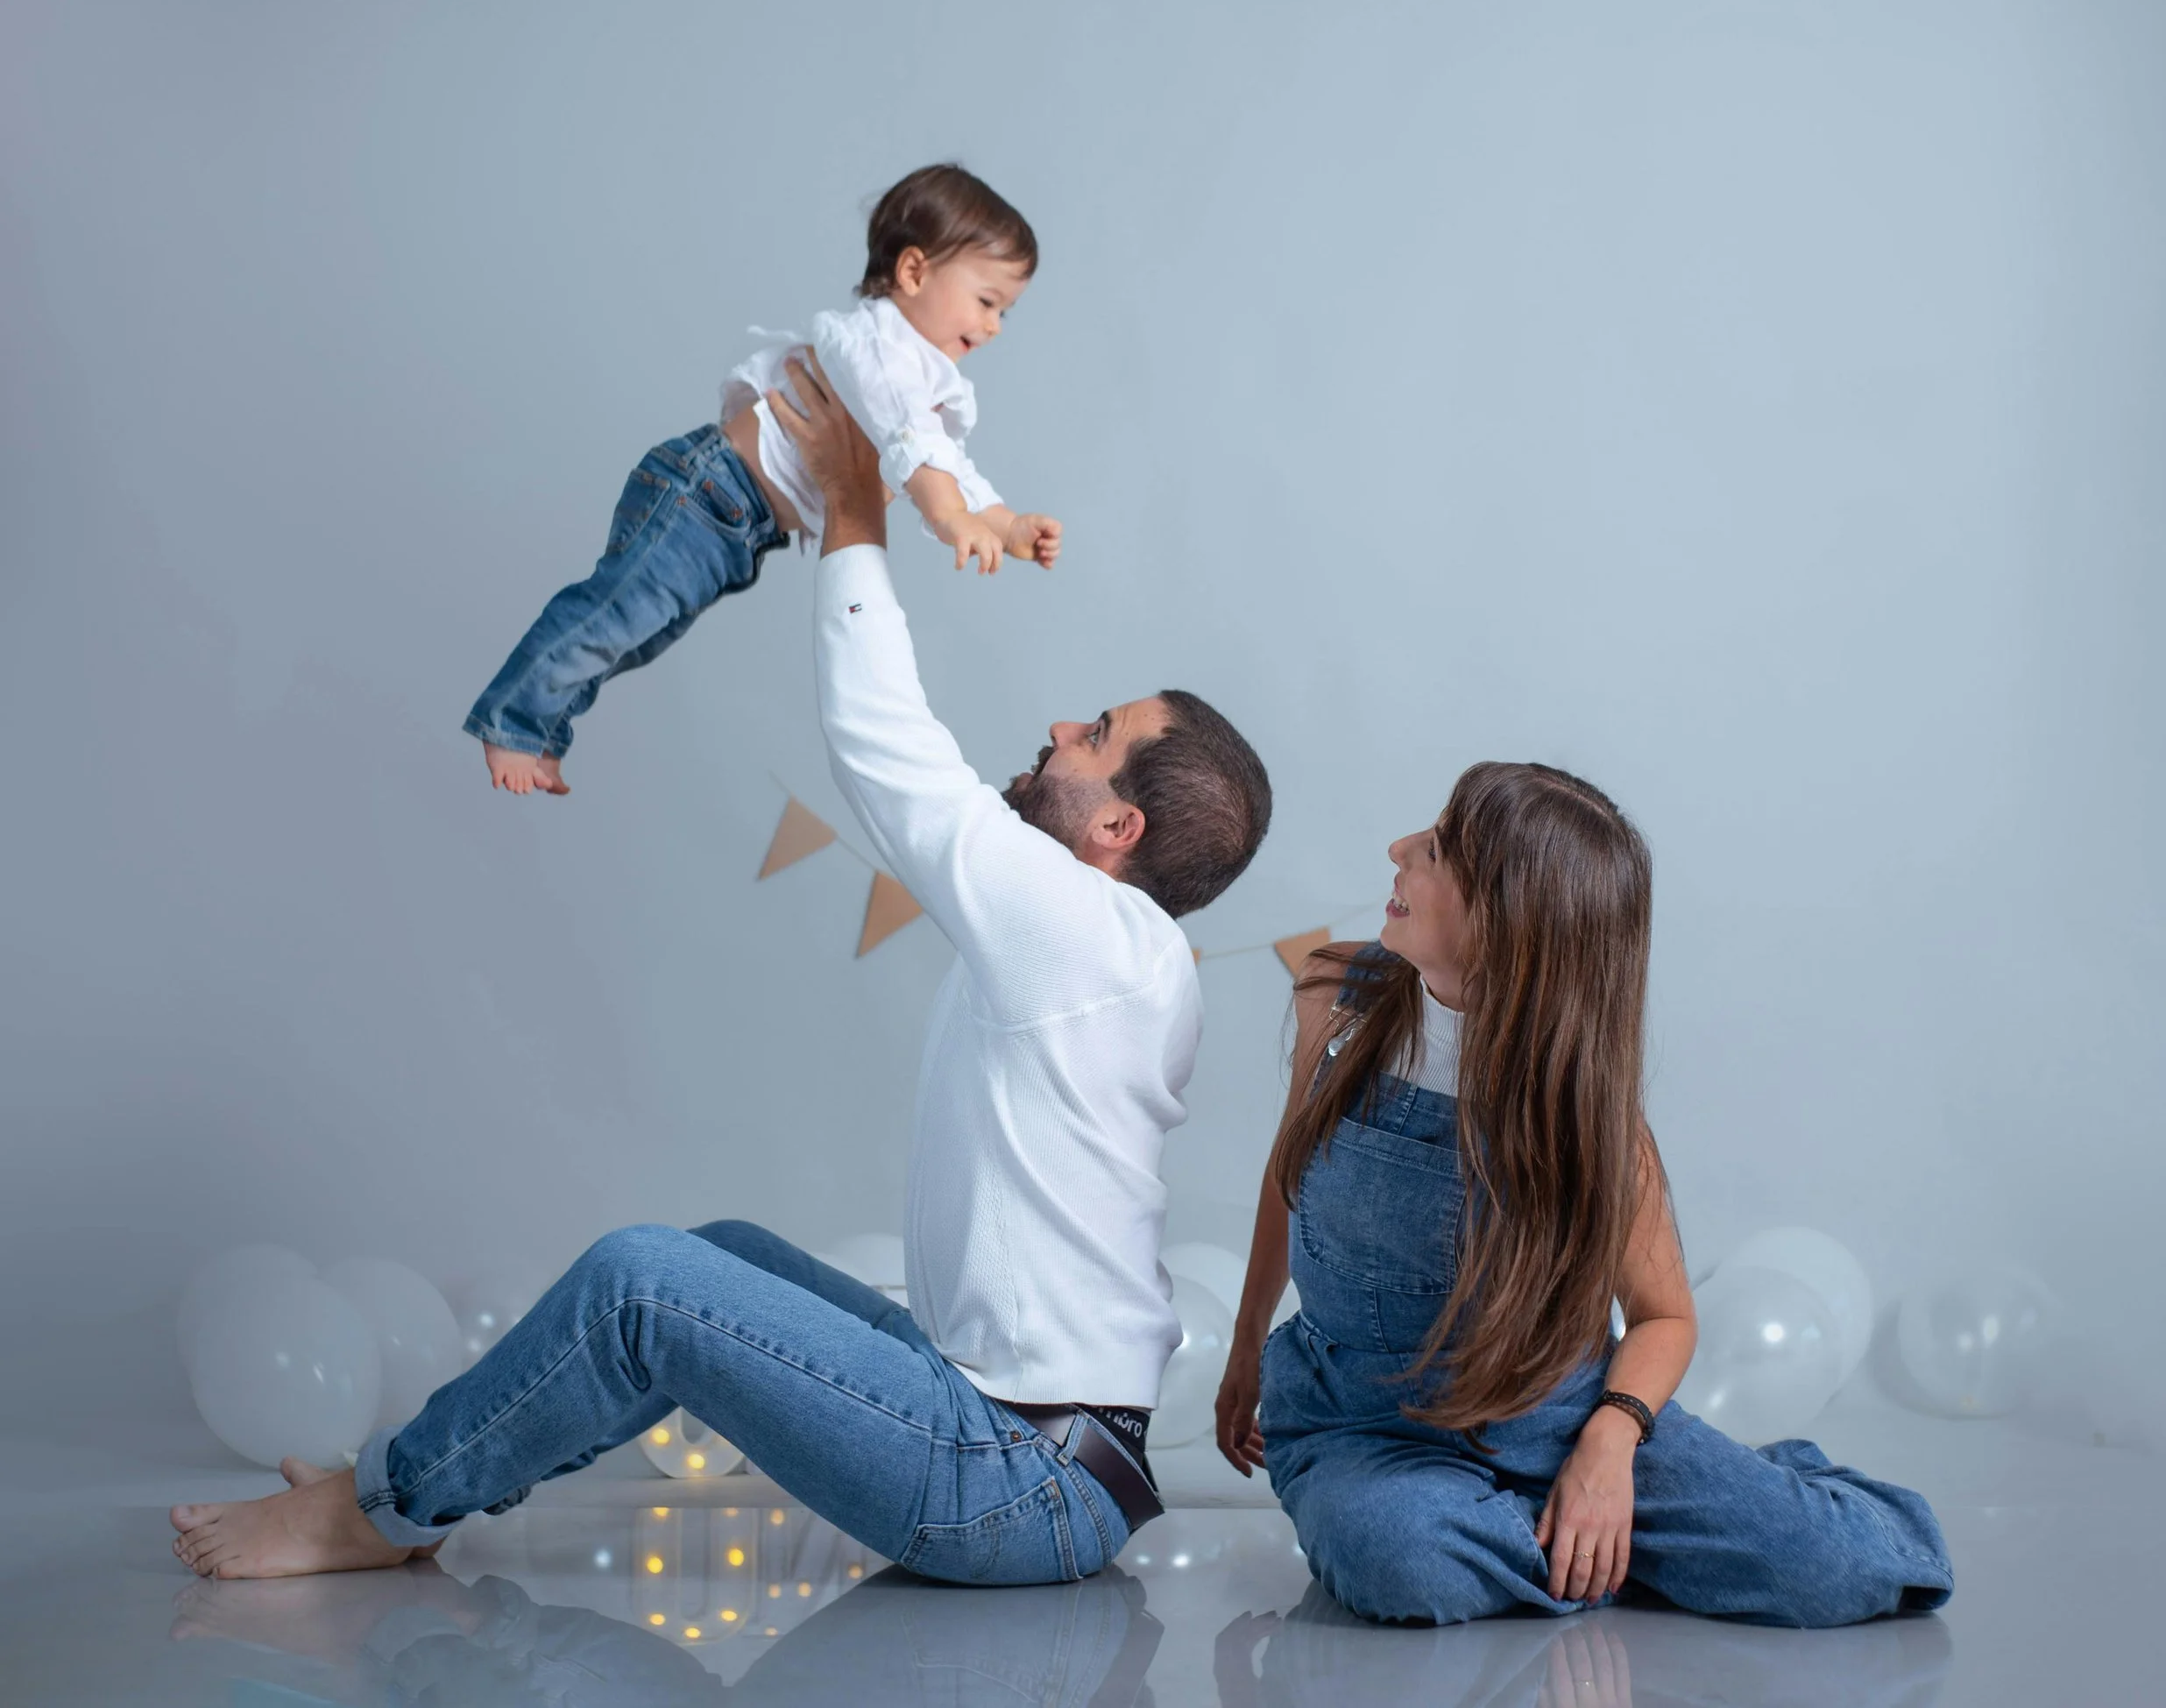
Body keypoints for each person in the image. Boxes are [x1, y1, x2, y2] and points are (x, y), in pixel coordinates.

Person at [169, 352, 1271, 1584]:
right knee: (724, 1248)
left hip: (1016, 1476)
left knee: (642, 1279)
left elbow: (890, 753)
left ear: (1120, 831)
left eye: (1098, 736)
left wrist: (854, 512)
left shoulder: (1088, 929)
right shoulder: (1110, 950)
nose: (1065, 727)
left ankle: (379, 1511)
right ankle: (446, 1474)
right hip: (1014, 1428)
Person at [1214, 762, 1955, 1626]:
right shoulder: (1333, 998)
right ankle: (1596, 1548)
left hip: (1561, 1416)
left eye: (1436, 849)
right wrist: (1243, 1353)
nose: (1398, 850)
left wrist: (1608, 1445)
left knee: (1837, 1571)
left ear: (1504, 921)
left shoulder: (1585, 1112)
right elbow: (1287, 1175)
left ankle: (1617, 1519)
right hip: (1365, 1428)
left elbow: (1664, 1317)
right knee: (1403, 1568)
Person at [464, 162, 1064, 796]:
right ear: (915, 271)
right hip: (706, 492)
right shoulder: (877, 344)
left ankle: (545, 730)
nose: (994, 325)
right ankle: (514, 722)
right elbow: (910, 439)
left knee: (637, 636)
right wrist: (949, 517)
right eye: (987, 301)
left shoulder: (924, 373)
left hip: (738, 526)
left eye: (1007, 312)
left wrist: (1004, 522)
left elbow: (947, 459)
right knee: (615, 615)